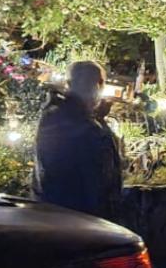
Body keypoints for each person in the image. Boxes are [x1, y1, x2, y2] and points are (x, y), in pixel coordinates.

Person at [33, 61, 122, 220]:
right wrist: (101, 123)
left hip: (54, 210)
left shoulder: (55, 113)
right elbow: (104, 162)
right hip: (80, 214)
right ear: (99, 84)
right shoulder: (78, 121)